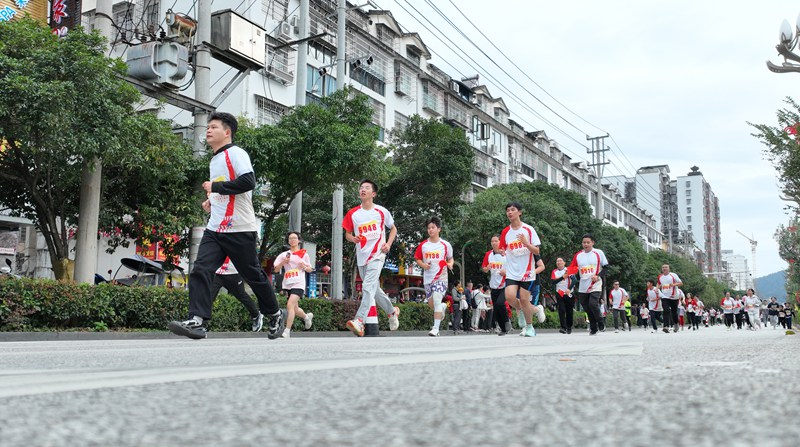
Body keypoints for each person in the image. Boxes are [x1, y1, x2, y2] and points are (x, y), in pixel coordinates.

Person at [168, 112, 285, 340]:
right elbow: (226, 188)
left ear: (227, 132)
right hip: (216, 229)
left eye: (213, 127)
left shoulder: (235, 153)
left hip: (239, 228)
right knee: (201, 269)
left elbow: (247, 182)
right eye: (208, 127)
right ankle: (197, 321)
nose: (208, 130)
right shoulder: (215, 159)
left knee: (253, 275)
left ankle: (274, 313)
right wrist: (212, 200)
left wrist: (215, 188)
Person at [343, 179, 401, 336]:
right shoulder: (353, 213)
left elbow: (393, 228)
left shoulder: (381, 211)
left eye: (366, 188)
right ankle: (392, 312)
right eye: (361, 187)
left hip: (377, 255)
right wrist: (353, 238)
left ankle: (359, 321)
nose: (363, 189)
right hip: (362, 256)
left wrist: (388, 244)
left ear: (373, 194)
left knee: (367, 287)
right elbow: (347, 234)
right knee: (374, 290)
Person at [498, 202, 546, 337]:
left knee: (525, 300)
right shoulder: (505, 232)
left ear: (519, 212)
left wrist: (525, 243)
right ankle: (534, 309)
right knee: (509, 297)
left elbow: (536, 250)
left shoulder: (528, 230)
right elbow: (502, 248)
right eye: (507, 210)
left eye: (512, 210)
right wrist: (502, 251)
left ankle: (530, 327)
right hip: (512, 271)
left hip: (527, 271)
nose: (509, 212)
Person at [414, 216, 454, 337]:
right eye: (429, 228)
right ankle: (442, 307)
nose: (430, 230)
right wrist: (424, 265)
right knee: (432, 304)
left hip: (441, 277)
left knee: (437, 299)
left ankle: (435, 329)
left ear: (439, 229)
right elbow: (417, 259)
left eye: (433, 227)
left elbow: (450, 258)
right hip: (428, 278)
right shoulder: (423, 245)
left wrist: (450, 264)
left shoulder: (445, 245)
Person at [273, 232, 315, 338]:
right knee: (295, 309)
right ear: (288, 241)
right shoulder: (284, 255)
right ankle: (306, 317)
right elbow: (276, 269)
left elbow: (310, 269)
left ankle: (287, 331)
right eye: (290, 238)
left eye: (294, 238)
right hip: (288, 283)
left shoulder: (304, 254)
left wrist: (304, 267)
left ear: (299, 240)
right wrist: (283, 262)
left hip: (299, 283)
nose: (292, 240)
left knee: (289, 305)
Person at [567, 233, 609, 336]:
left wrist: (598, 276)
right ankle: (593, 328)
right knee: (587, 307)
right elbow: (572, 270)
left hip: (595, 283)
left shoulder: (598, 253)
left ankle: (600, 322)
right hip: (583, 285)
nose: (585, 244)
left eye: (588, 242)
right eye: (584, 242)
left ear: (592, 243)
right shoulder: (578, 255)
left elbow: (606, 267)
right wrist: (569, 284)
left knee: (593, 304)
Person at [212, 257, 264, 332]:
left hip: (233, 273)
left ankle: (256, 315)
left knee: (241, 295)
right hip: (217, 273)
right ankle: (200, 323)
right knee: (208, 297)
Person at [481, 235, 510, 335]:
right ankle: (503, 329)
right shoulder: (488, 254)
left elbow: (514, 266)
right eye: (492, 241)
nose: (494, 243)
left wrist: (506, 272)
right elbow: (484, 268)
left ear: (500, 242)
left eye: (496, 241)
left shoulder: (506, 253)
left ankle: (506, 321)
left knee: (500, 303)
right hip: (493, 285)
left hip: (505, 284)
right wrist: (487, 268)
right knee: (496, 308)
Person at [656, 264, 683, 333]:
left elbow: (681, 283)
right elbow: (658, 283)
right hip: (664, 296)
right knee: (666, 310)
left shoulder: (673, 275)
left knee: (674, 313)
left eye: (666, 267)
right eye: (663, 267)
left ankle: (676, 323)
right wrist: (656, 289)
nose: (664, 268)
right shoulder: (660, 276)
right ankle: (666, 326)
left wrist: (673, 284)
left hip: (674, 297)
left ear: (669, 269)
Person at [551, 257, 574, 334]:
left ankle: (569, 327)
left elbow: (574, 280)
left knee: (569, 311)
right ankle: (563, 327)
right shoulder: (554, 271)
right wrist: (562, 277)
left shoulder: (568, 270)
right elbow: (553, 282)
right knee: (561, 310)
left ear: (564, 263)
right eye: (557, 261)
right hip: (559, 293)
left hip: (569, 293)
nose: (559, 262)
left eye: (560, 261)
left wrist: (569, 289)